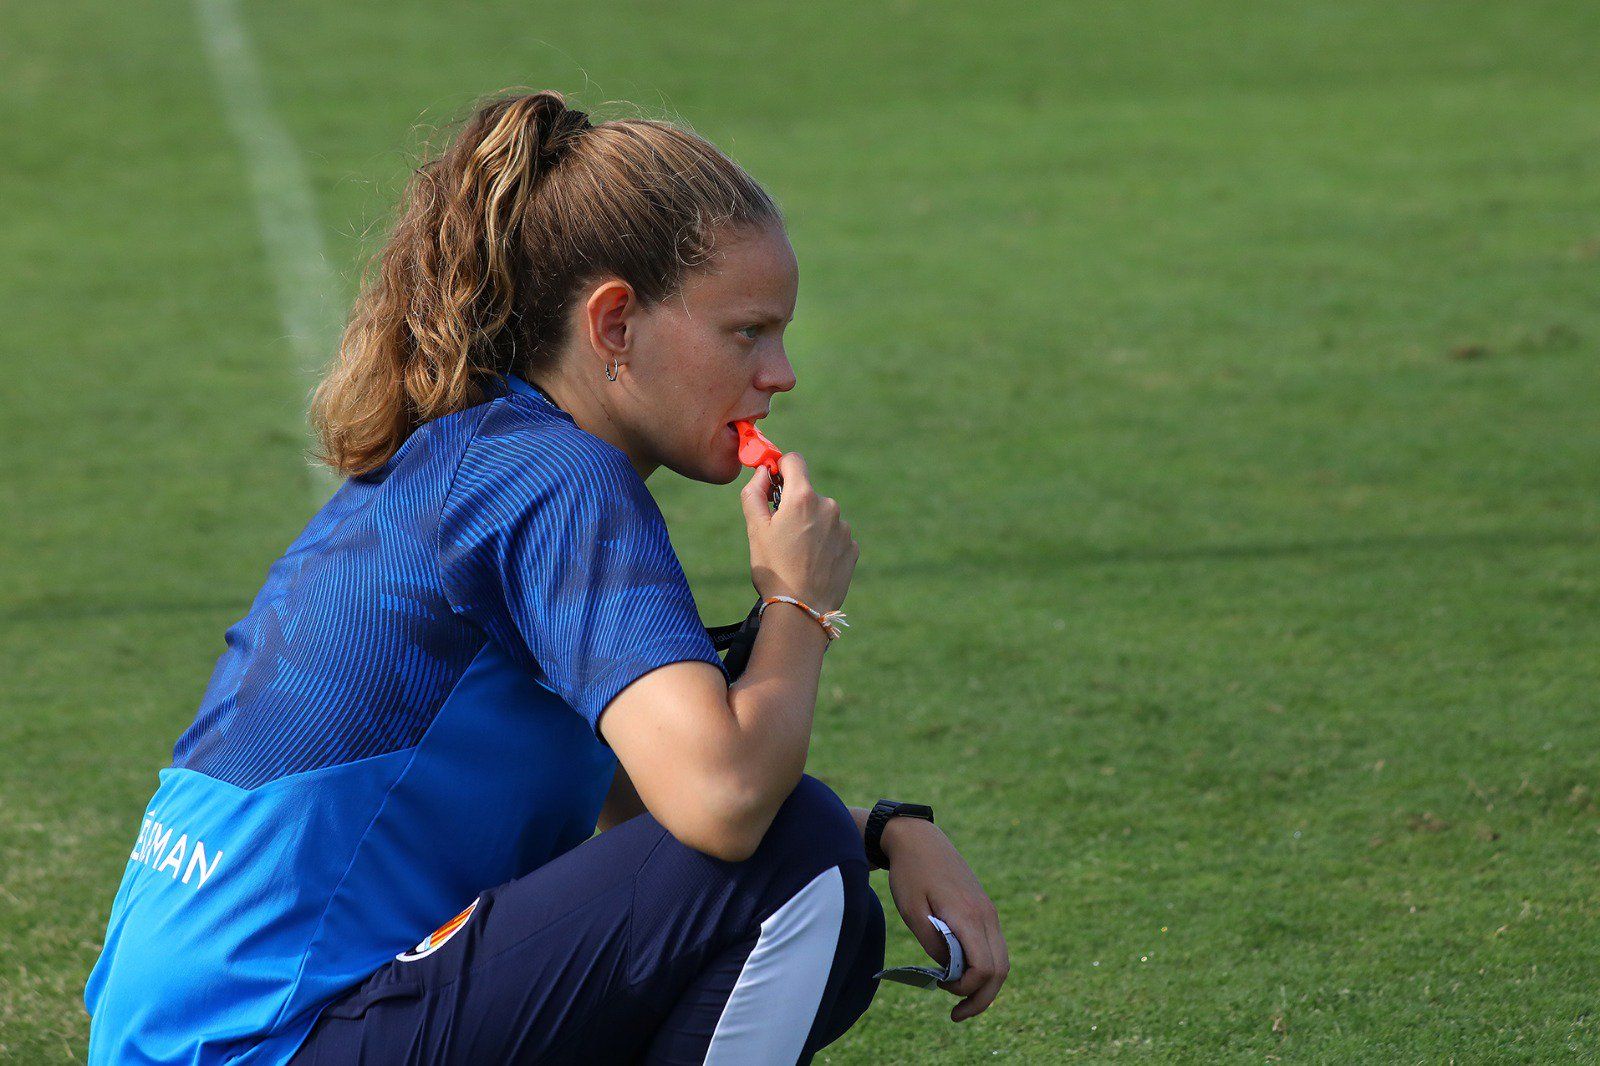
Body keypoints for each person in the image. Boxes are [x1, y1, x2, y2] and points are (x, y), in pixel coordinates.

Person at [83, 89, 1008, 1064]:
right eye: (746, 332)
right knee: (796, 857)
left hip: (209, 1035)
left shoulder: (474, 459)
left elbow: (643, 813)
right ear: (613, 323)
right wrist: (798, 603)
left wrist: (888, 832)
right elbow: (725, 805)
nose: (779, 373)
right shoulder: (560, 480)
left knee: (823, 867)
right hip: (274, 1043)